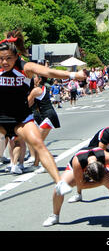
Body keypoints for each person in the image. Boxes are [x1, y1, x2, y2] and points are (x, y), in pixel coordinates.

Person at [0, 29, 86, 196]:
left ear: (16, 57)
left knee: (38, 144)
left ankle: (59, 182)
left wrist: (73, 74)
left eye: (8, 58)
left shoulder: (26, 67)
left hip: (21, 118)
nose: (4, 62)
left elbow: (48, 72)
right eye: (1, 58)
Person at [43, 146, 109, 226]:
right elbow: (81, 185)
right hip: (76, 169)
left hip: (96, 168)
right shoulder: (77, 162)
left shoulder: (105, 156)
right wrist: (101, 182)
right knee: (59, 188)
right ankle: (55, 215)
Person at [26, 75, 61, 169]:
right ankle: (36, 164)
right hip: (48, 115)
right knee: (39, 142)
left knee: (38, 142)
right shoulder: (42, 87)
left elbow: (28, 104)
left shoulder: (36, 90)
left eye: (35, 77)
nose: (33, 78)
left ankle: (44, 165)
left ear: (40, 79)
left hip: (48, 116)